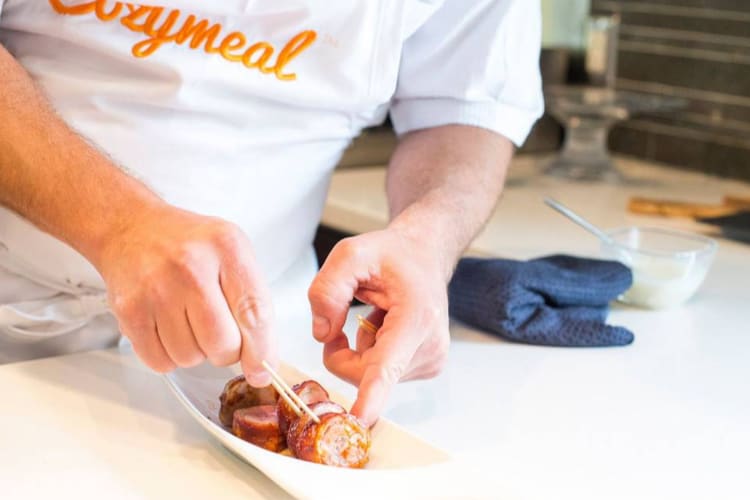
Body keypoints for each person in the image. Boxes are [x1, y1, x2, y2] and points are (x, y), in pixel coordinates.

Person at [0, 0, 543, 426]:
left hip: (263, 348)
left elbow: (467, 106)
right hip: (19, 329)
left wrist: (427, 239)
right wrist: (118, 225)